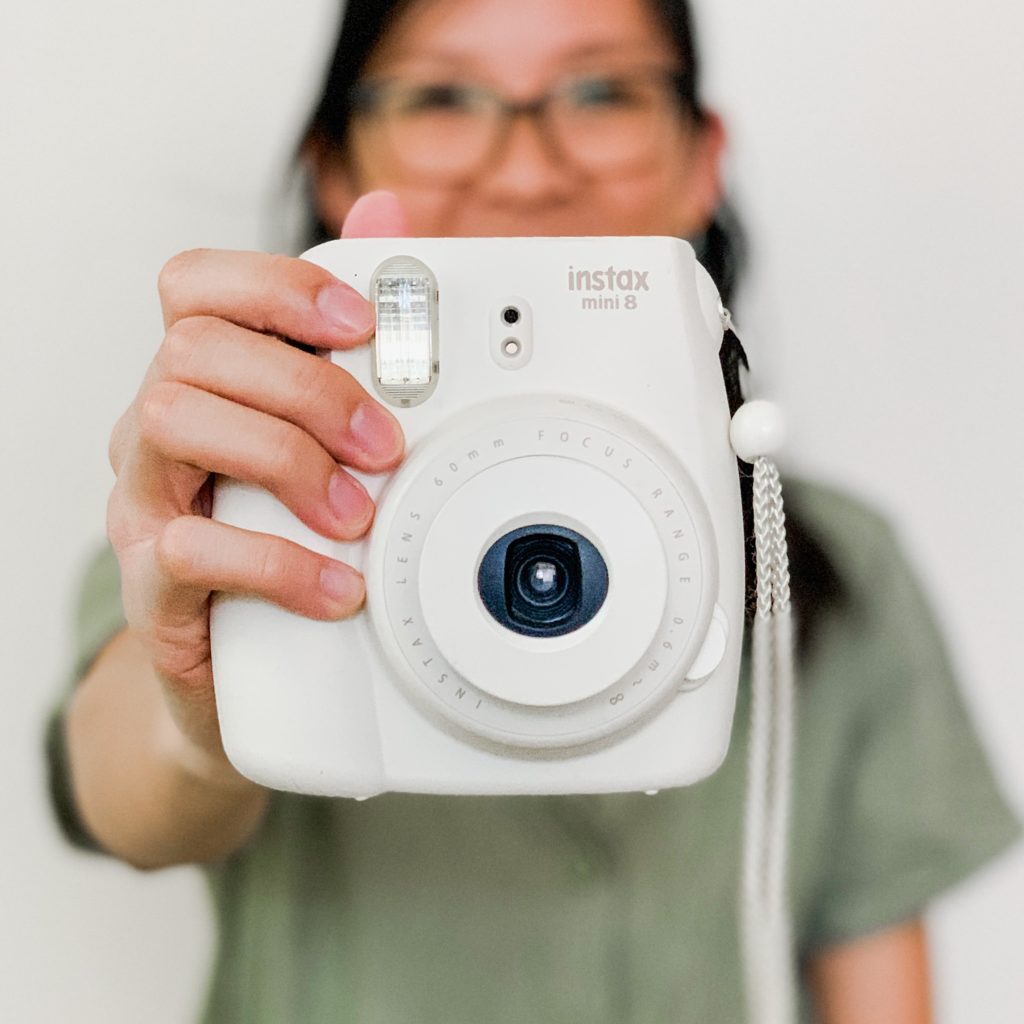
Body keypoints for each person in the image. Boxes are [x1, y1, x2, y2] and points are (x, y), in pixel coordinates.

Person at [47, 1, 1019, 1021]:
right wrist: (195, 713)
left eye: (600, 90)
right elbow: (118, 792)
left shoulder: (825, 562)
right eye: (438, 96)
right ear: (333, 167)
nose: (521, 168)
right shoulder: (232, 513)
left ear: (702, 157)